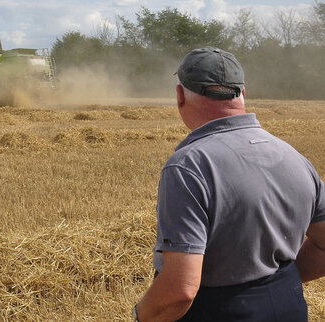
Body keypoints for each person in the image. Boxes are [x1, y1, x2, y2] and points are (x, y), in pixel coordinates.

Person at [133, 47, 325, 321]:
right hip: (288, 307)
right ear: (242, 94)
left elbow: (181, 290)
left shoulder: (189, 166)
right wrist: (278, 284)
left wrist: (141, 316)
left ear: (179, 96)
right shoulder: (293, 157)